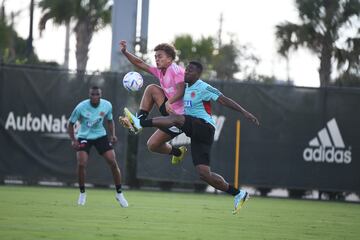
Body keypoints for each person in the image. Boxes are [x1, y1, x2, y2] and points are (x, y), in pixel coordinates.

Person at [120, 61, 259, 214]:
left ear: (198, 74)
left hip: (205, 127)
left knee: (177, 118)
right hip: (195, 131)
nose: (186, 72)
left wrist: (245, 112)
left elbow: (224, 99)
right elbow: (164, 88)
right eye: (185, 70)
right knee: (204, 174)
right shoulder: (183, 88)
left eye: (190, 71)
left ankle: (140, 123)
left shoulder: (203, 87)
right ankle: (239, 194)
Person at [119, 40, 187, 164]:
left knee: (152, 145)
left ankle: (138, 123)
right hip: (169, 109)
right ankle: (178, 152)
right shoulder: (160, 71)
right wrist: (125, 52)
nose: (156, 59)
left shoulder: (176, 70)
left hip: (179, 118)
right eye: (155, 57)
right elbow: (140, 63)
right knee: (152, 88)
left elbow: (181, 91)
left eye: (160, 56)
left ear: (170, 58)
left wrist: (169, 101)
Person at [67, 86, 128, 207]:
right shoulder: (81, 107)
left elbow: (110, 121)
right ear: (89, 95)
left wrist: (113, 135)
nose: (95, 97)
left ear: (101, 95)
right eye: (92, 95)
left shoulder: (107, 105)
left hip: (100, 135)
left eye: (97, 94)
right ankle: (82, 193)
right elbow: (70, 124)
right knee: (81, 163)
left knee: (112, 161)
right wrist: (73, 140)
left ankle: (119, 193)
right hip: (84, 136)